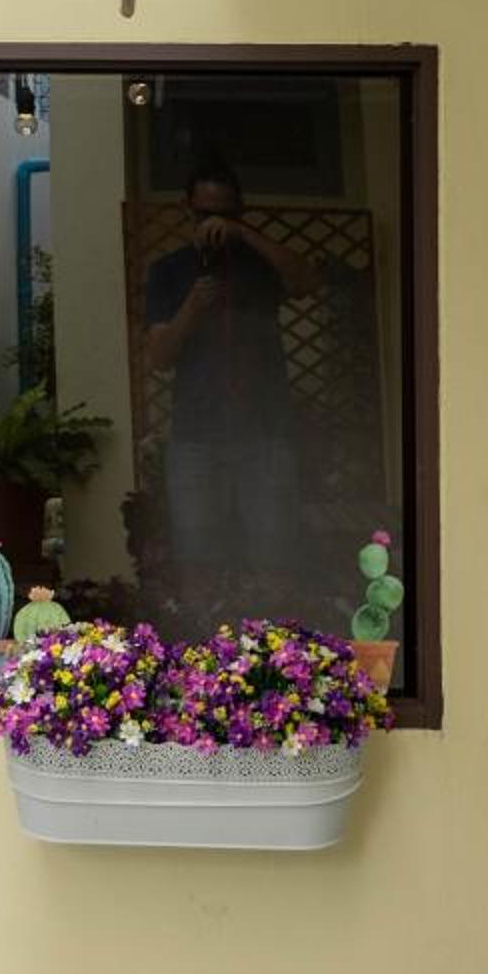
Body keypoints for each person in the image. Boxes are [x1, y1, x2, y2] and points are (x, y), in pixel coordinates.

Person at [142, 153, 318, 631]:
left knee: (276, 555)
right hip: (197, 434)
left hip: (265, 431)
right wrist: (192, 308)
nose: (214, 224)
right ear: (187, 210)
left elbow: (306, 280)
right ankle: (201, 646)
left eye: (226, 214)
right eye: (205, 214)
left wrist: (246, 236)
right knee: (196, 557)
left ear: (241, 212)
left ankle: (279, 653)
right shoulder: (169, 271)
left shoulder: (260, 265)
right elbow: (159, 356)